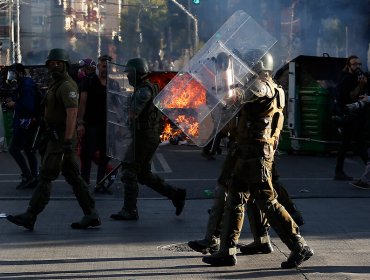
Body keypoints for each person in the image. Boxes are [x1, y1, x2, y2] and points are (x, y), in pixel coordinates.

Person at [201, 49, 313, 268]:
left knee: (267, 202)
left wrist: (224, 73)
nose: (244, 68)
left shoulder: (259, 85)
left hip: (256, 156)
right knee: (235, 199)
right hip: (249, 154)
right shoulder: (275, 87)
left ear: (257, 66)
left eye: (247, 64)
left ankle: (299, 246)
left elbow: (233, 98)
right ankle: (227, 251)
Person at [6, 48, 101, 230]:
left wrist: (66, 141)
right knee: (74, 177)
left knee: (46, 176)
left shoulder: (66, 85)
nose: (54, 66)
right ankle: (91, 213)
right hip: (57, 137)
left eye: (58, 63)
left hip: (61, 140)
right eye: (51, 63)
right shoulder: (56, 84)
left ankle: (31, 215)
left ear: (65, 65)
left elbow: (72, 113)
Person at [110, 57, 186, 221]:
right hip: (148, 135)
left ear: (137, 73)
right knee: (143, 174)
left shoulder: (143, 91)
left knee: (129, 171)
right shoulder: (150, 87)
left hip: (144, 136)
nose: (128, 76)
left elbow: (132, 115)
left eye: (130, 73)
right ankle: (175, 195)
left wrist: (121, 124)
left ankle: (129, 210)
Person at [77, 55, 117, 194]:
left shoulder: (114, 84)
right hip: (91, 124)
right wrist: (80, 123)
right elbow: (82, 103)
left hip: (107, 126)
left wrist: (118, 125)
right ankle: (84, 183)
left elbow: (117, 105)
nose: (105, 69)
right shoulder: (88, 82)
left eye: (108, 66)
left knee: (105, 157)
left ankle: (100, 184)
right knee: (87, 154)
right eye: (103, 66)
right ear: (98, 66)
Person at [4, 63, 39, 189]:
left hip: (26, 123)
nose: (11, 76)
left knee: (13, 148)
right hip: (25, 122)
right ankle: (34, 177)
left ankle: (28, 175)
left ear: (19, 72)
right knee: (29, 150)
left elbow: (28, 106)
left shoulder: (27, 84)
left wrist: (14, 104)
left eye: (13, 73)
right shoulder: (22, 84)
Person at [334, 55, 368, 181]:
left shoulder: (359, 77)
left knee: (355, 143)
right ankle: (339, 171)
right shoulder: (346, 79)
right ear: (349, 66)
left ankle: (339, 171)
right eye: (354, 64)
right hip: (348, 115)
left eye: (359, 64)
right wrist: (360, 85)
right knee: (357, 143)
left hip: (357, 114)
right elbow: (351, 96)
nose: (357, 66)